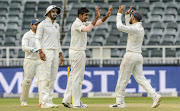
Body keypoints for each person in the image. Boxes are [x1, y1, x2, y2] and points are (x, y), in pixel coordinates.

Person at [109, 5, 162, 108]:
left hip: (130, 56)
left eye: (131, 17)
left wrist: (119, 14)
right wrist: (127, 15)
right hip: (138, 56)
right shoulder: (139, 28)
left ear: (133, 18)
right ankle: (155, 96)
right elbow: (129, 26)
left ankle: (120, 102)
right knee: (141, 79)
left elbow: (120, 27)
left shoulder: (135, 29)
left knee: (122, 79)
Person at [62, 6, 113, 108]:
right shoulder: (77, 23)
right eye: (85, 15)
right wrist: (96, 17)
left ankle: (67, 100)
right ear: (80, 15)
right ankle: (76, 103)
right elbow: (88, 29)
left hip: (79, 52)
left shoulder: (82, 22)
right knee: (77, 78)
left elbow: (96, 23)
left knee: (73, 77)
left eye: (87, 15)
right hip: (77, 52)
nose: (87, 17)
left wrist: (106, 16)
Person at [35, 5, 64, 108]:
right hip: (46, 51)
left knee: (52, 77)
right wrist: (40, 51)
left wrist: (60, 55)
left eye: (56, 11)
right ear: (48, 13)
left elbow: (57, 41)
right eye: (53, 11)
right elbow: (37, 39)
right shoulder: (42, 24)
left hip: (55, 52)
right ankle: (44, 102)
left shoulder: (56, 25)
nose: (55, 13)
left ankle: (49, 101)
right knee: (46, 77)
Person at [20, 19, 42, 107]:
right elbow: (24, 47)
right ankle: (23, 101)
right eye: (35, 25)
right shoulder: (27, 35)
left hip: (40, 60)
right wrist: (33, 49)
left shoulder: (41, 35)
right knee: (27, 81)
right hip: (30, 60)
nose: (37, 26)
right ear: (31, 25)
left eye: (38, 25)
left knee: (41, 81)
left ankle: (42, 102)